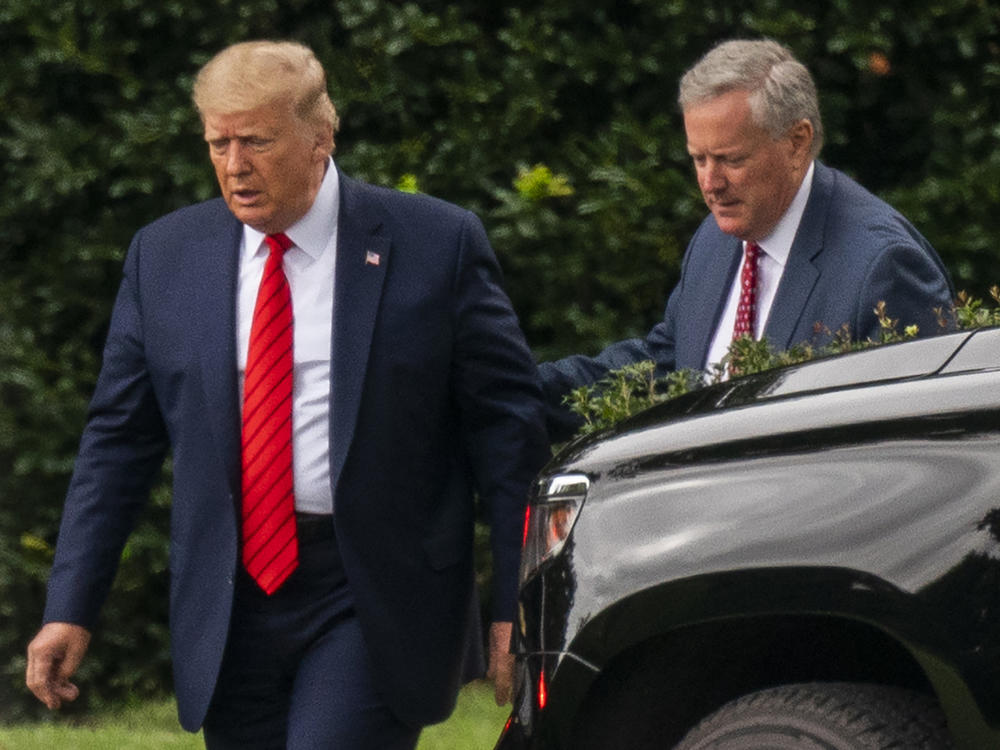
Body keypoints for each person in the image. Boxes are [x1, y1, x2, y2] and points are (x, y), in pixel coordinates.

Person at [25, 40, 549, 749]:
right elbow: (117, 443)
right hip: (230, 598)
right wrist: (71, 607)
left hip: (370, 592)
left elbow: (507, 431)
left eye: (257, 142)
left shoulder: (435, 243)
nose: (235, 166)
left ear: (320, 137)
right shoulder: (165, 257)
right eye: (219, 142)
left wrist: (520, 599)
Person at [540, 38, 954, 441]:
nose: (710, 183)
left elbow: (913, 449)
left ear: (797, 142)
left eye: (730, 160)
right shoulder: (717, 238)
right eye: (698, 159)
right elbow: (667, 369)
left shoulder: (881, 266)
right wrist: (510, 391)